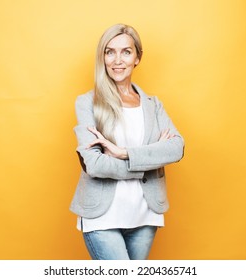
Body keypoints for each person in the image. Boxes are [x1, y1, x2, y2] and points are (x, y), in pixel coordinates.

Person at [70, 23, 184, 260]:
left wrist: (123, 153)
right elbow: (94, 164)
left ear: (137, 58)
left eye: (126, 52)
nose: (117, 60)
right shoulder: (87, 103)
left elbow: (176, 148)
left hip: (145, 214)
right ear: (102, 57)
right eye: (109, 52)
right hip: (102, 215)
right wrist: (149, 160)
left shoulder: (153, 104)